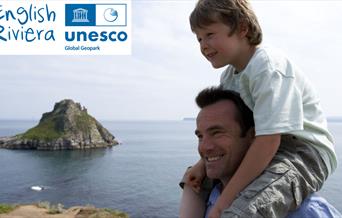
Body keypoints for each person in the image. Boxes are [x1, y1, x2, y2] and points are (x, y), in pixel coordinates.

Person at [182, 0, 338, 217]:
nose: (203, 45)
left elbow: (268, 140)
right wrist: (200, 165)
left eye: (209, 34)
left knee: (243, 211)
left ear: (242, 28)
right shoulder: (228, 77)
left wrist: (221, 205)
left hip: (303, 152)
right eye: (199, 38)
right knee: (192, 181)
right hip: (261, 144)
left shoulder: (267, 67)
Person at [179, 87, 341, 218]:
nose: (205, 147)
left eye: (217, 133)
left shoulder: (304, 212)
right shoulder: (204, 199)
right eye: (200, 136)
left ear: (253, 136)